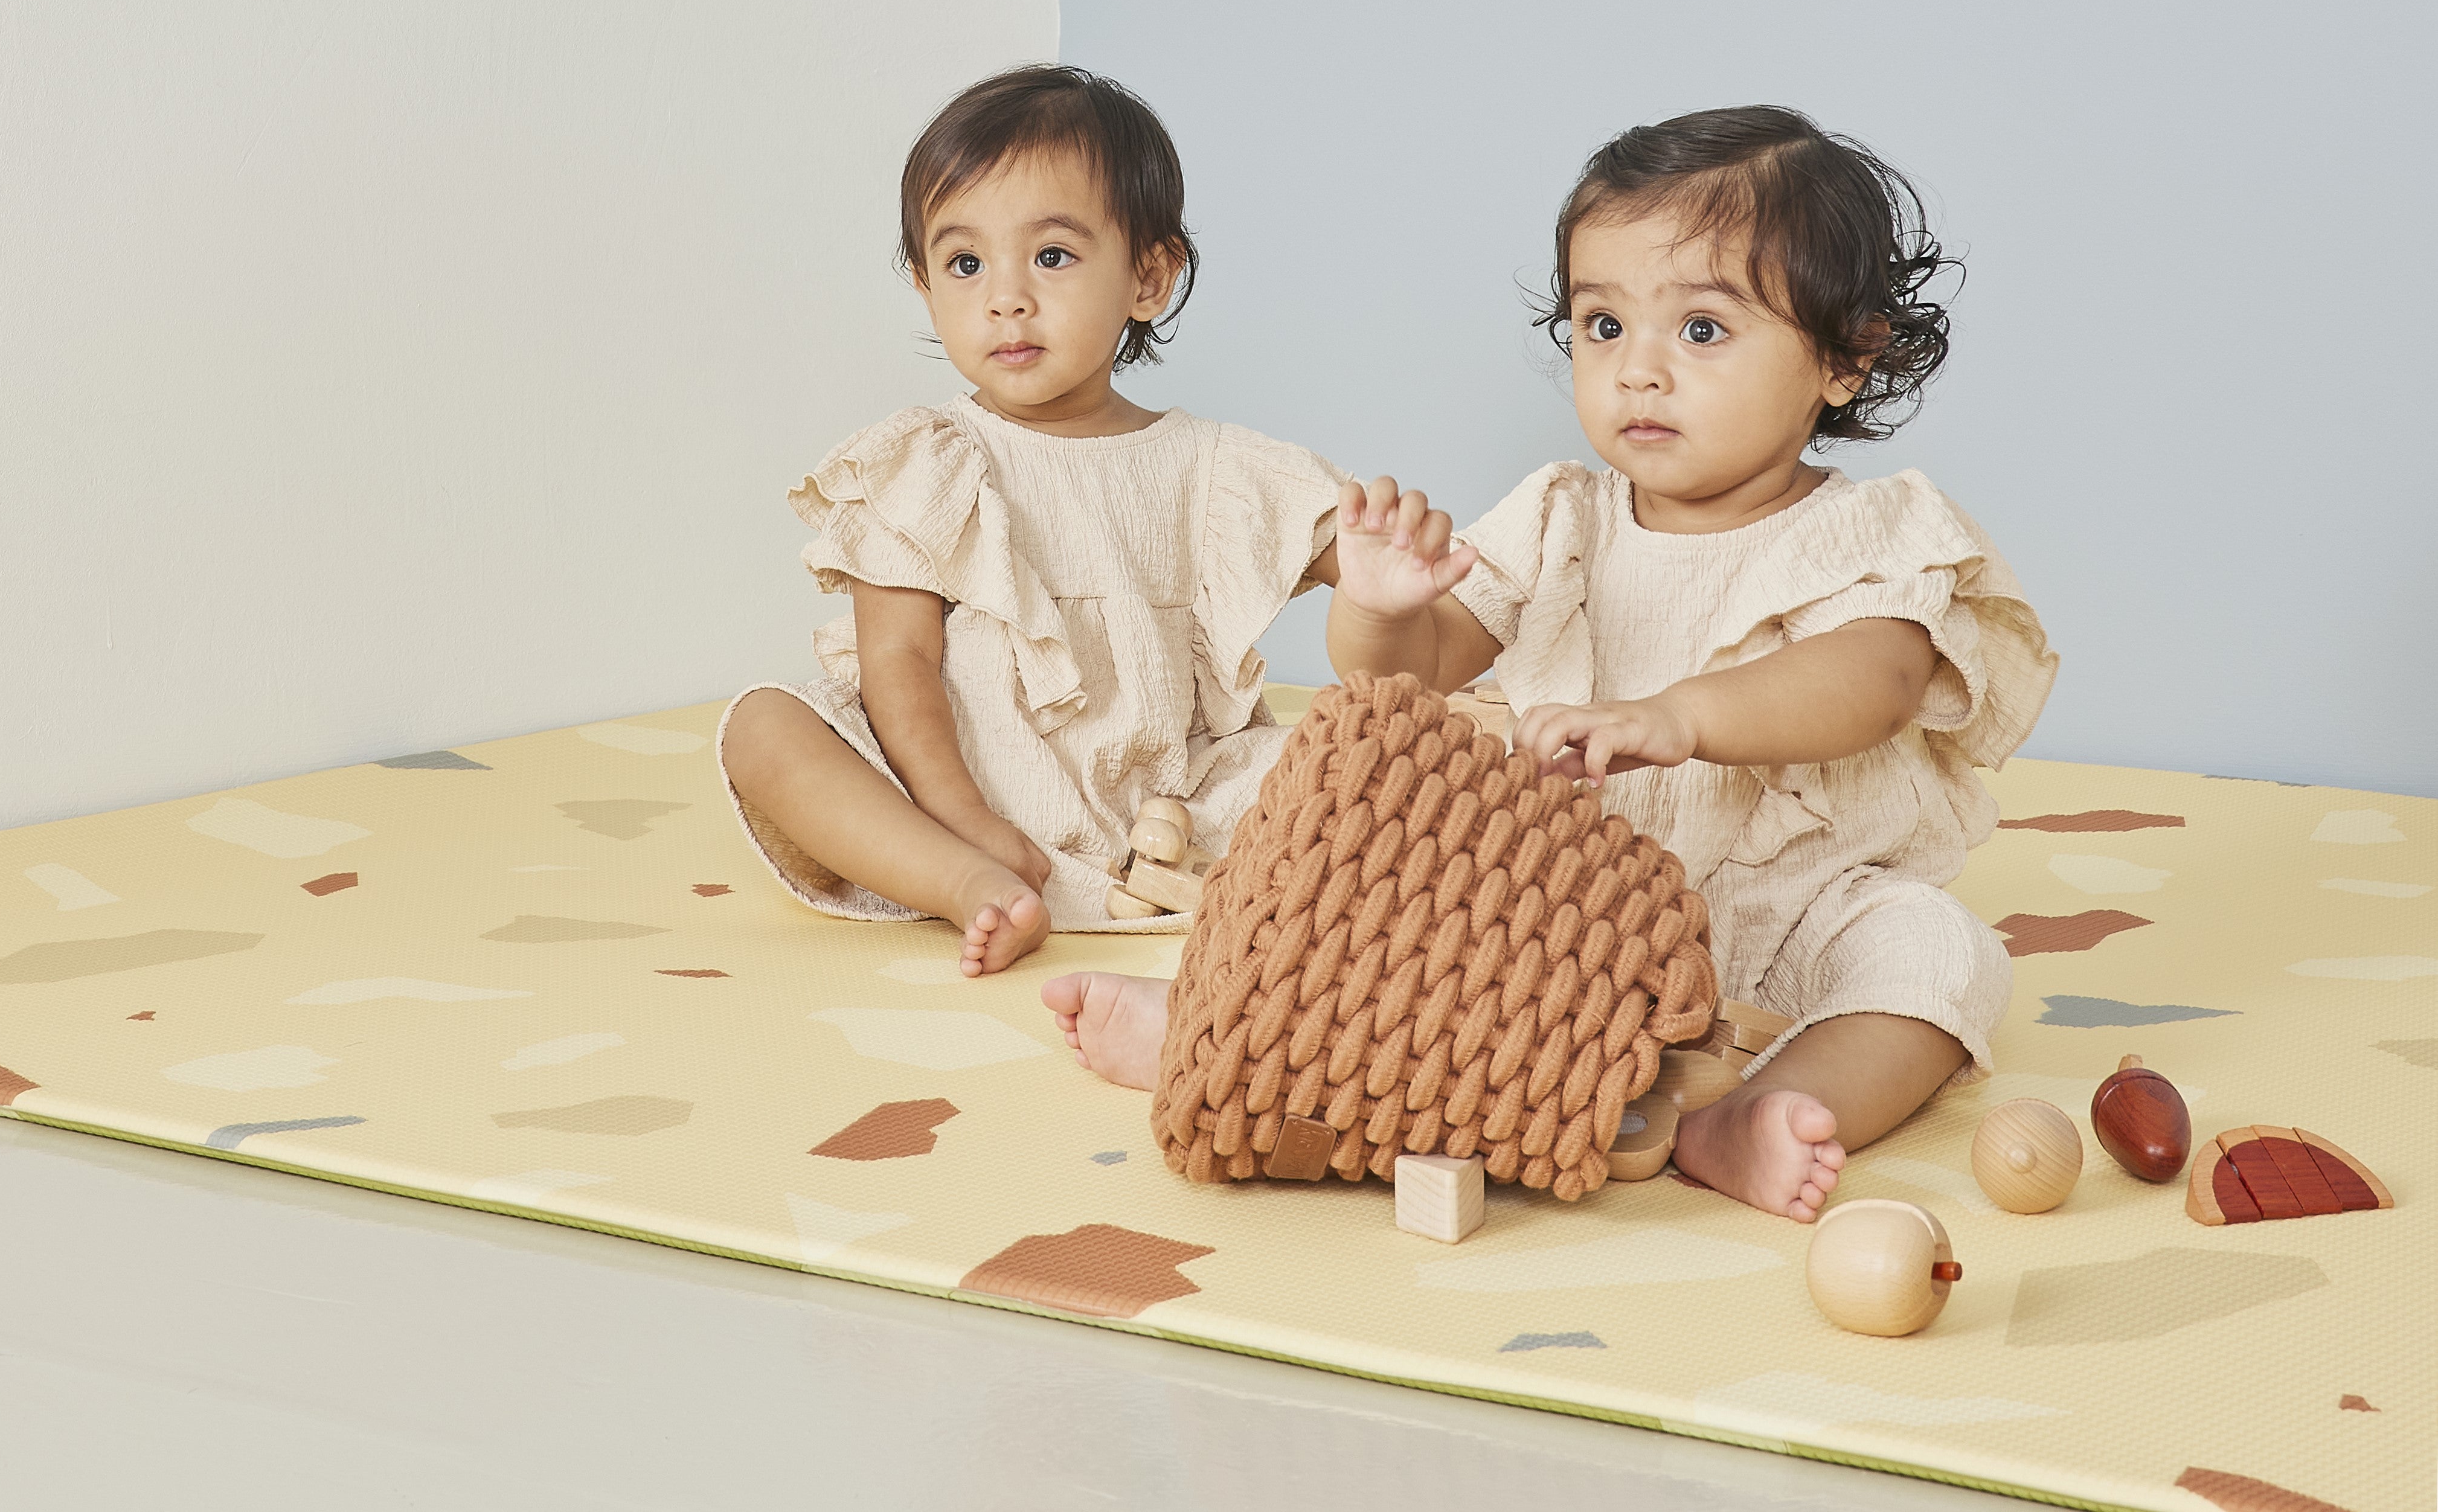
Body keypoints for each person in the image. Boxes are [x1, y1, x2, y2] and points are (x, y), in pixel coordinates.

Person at [1047, 106, 2056, 1220]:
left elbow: (1873, 682)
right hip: (1555, 915)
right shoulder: (1561, 514)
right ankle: (1227, 1029)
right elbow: (1414, 676)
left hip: (1793, 908)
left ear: (1845, 360)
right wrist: (1381, 609)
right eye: (1603, 326)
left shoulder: (1877, 533)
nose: (1639, 373)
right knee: (1377, 913)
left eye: (1704, 332)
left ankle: (1745, 1116)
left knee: (1941, 958)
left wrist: (1680, 717)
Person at [717, 66, 1346, 976]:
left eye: (1051, 257)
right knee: (762, 727)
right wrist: (967, 821)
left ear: (1148, 275)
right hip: (953, 789)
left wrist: (1388, 549)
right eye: (965, 265)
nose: (1004, 297)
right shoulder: (930, 458)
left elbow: (1350, 551)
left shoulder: (1212, 464)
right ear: (927, 285)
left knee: (1356, 755)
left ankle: (1166, 881)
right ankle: (963, 883)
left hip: (1166, 802)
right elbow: (896, 661)